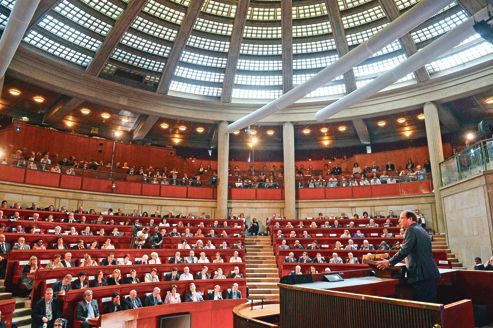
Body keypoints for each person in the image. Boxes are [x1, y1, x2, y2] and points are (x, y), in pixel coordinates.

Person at [377, 210, 440, 303]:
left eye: (402, 218)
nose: (399, 221)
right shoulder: (422, 230)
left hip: (420, 275)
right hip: (429, 272)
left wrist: (389, 262)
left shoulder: (410, 230)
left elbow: (404, 250)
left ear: (410, 219)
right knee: (431, 306)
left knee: (424, 308)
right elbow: (417, 251)